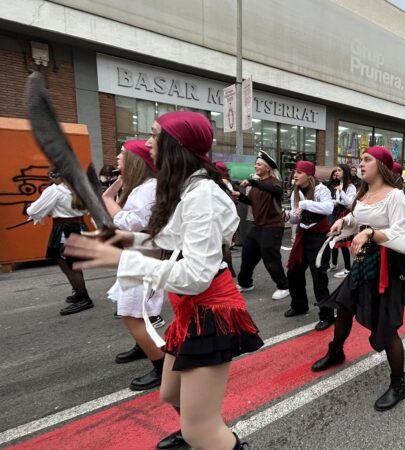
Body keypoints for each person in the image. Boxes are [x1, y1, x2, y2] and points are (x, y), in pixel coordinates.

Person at [64, 111, 262, 450]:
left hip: (211, 312)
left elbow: (195, 276)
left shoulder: (201, 194)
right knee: (171, 393)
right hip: (191, 310)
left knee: (201, 430)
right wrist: (128, 240)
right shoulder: (189, 188)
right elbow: (175, 239)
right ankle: (199, 429)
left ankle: (206, 434)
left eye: (155, 135)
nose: (147, 143)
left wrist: (123, 258)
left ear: (176, 145)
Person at [311, 146, 405, 411]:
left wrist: (370, 233)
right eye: (361, 160)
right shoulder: (364, 193)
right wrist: (344, 222)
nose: (360, 164)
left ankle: (399, 383)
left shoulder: (395, 196)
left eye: (367, 160)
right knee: (344, 308)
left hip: (387, 265)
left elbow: (403, 234)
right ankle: (336, 351)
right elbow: (356, 218)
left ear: (381, 165)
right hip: (363, 262)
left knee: (386, 324)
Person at [101, 140, 166, 391]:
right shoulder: (141, 187)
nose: (117, 158)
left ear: (135, 161)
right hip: (138, 257)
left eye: (122, 154)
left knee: (132, 314)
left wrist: (108, 199)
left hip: (143, 260)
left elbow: (131, 223)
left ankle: (162, 366)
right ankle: (144, 347)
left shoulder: (148, 188)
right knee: (137, 312)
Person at [26, 170, 91, 315]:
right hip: (79, 227)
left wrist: (36, 209)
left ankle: (83, 298)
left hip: (64, 229)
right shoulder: (80, 188)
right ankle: (80, 293)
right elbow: (86, 210)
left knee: (68, 265)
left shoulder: (54, 190)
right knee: (72, 263)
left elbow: (33, 211)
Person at [285, 161, 336, 331]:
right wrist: (288, 216)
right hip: (303, 235)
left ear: (309, 175)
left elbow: (328, 208)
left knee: (318, 275)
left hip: (319, 236)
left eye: (299, 172)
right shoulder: (296, 192)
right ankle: (299, 305)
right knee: (294, 271)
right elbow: (296, 218)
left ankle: (327, 315)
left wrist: (304, 204)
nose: (295, 175)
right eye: (295, 172)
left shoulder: (321, 190)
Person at [235, 151, 290, 300]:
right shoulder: (257, 183)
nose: (256, 166)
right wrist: (239, 196)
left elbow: (276, 191)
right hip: (258, 225)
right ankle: (245, 283)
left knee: (270, 256)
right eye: (256, 164)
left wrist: (253, 182)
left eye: (259, 164)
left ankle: (283, 286)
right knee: (248, 253)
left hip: (273, 225)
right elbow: (251, 201)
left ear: (267, 168)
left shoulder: (274, 182)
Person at [329, 164, 357, 278]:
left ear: (345, 172)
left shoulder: (351, 187)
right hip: (338, 213)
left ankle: (347, 268)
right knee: (334, 238)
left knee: (343, 241)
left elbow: (349, 203)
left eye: (339, 170)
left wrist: (341, 191)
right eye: (336, 170)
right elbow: (338, 201)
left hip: (346, 215)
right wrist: (331, 202)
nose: (337, 172)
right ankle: (334, 264)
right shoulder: (339, 184)